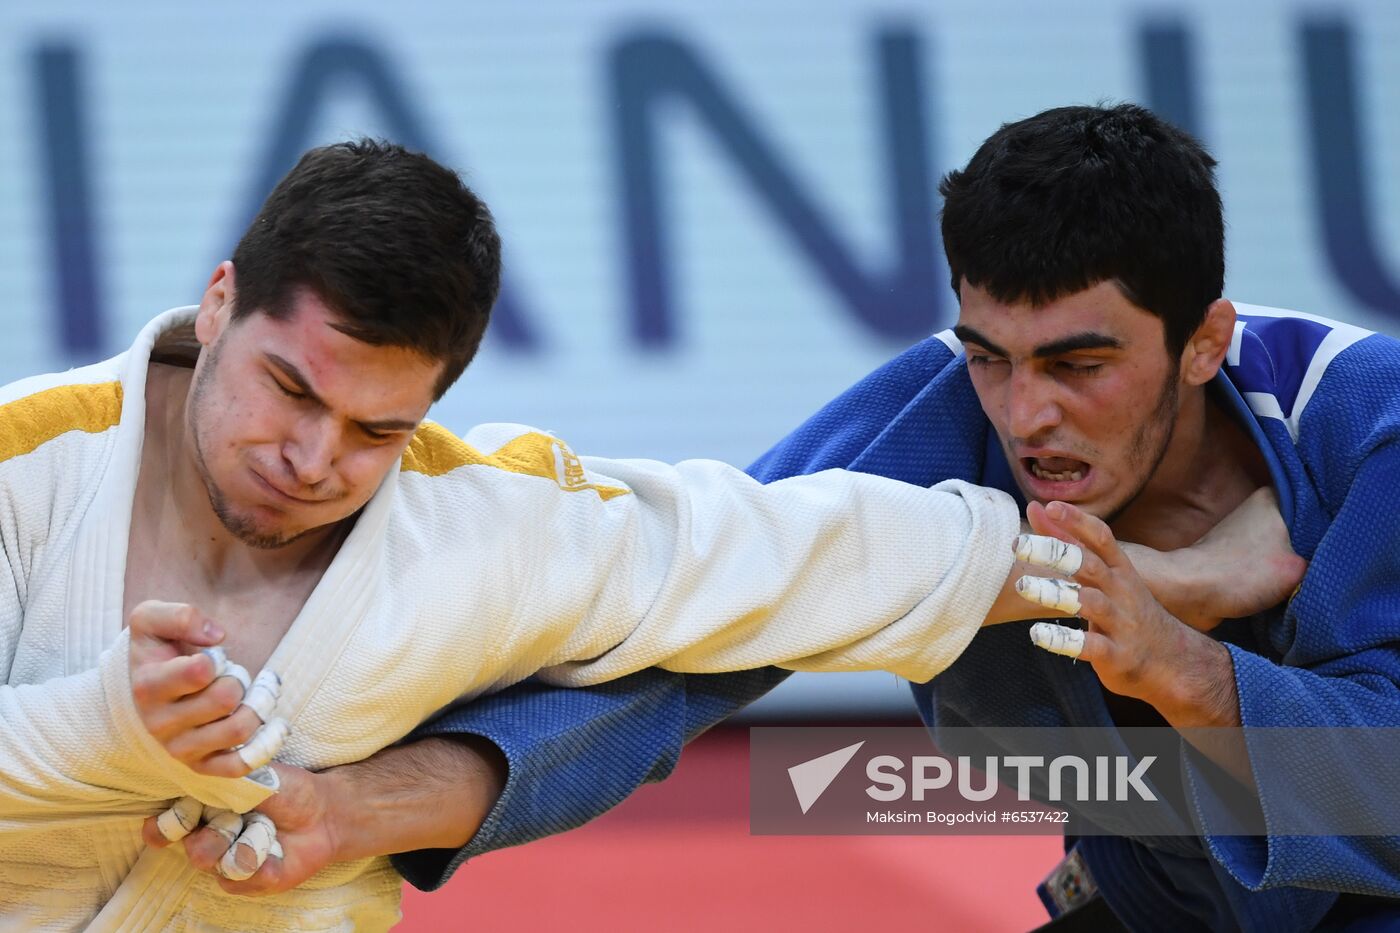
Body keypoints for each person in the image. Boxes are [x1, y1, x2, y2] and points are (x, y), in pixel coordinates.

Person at [0, 136, 1250, 930]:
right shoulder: (25, 468)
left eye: (376, 430)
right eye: (289, 391)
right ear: (220, 303)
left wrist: (1135, 578)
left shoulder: (481, 526)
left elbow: (785, 550)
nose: (314, 462)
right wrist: (111, 726)